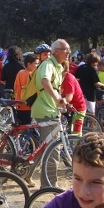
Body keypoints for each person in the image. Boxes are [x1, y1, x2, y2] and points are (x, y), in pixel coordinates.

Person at [31, 41, 69, 188]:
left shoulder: (57, 66)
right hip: (45, 110)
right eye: (66, 50)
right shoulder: (48, 64)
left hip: (50, 109)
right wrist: (57, 99)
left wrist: (61, 101)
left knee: (44, 147)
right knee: (53, 150)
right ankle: (49, 186)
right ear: (57, 51)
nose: (68, 52)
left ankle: (27, 173)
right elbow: (45, 81)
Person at [61, 61, 87, 135]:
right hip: (69, 108)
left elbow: (69, 98)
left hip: (78, 109)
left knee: (75, 133)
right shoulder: (61, 77)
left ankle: (78, 146)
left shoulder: (68, 79)